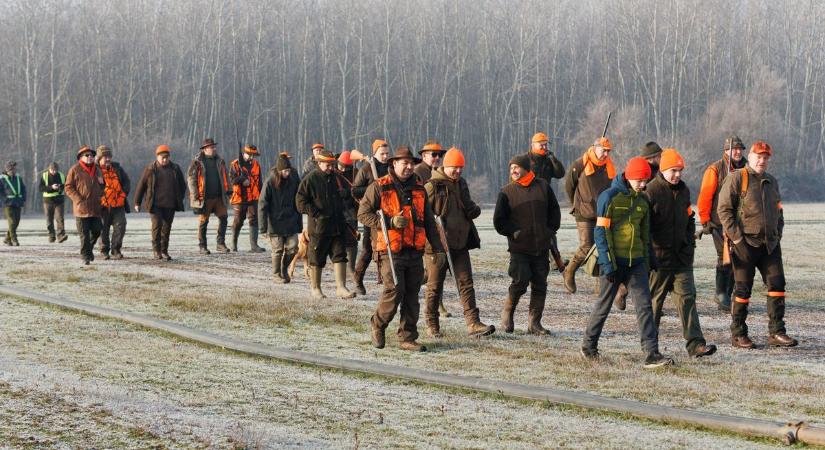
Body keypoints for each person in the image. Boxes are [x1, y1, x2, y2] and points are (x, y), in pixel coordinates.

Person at [580, 157, 672, 368]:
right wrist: (608, 264)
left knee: (645, 307)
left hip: (636, 263)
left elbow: (644, 234)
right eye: (640, 180)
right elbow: (601, 233)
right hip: (613, 263)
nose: (643, 184)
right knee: (603, 306)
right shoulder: (608, 197)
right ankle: (588, 346)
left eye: (645, 180)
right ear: (629, 176)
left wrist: (650, 260)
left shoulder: (642, 201)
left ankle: (652, 353)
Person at [358, 146, 444, 352]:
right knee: (394, 290)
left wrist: (438, 249)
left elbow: (429, 222)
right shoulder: (379, 186)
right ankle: (378, 324)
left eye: (410, 163)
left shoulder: (419, 188)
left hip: (414, 250)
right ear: (393, 164)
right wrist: (387, 222)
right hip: (389, 250)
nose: (408, 167)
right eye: (404, 163)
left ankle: (408, 337)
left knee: (412, 295)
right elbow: (363, 214)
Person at [717, 141, 798, 349]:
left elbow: (779, 211)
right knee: (743, 289)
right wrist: (737, 240)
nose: (762, 161)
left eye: (766, 158)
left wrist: (777, 233)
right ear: (750, 157)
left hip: (769, 245)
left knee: (778, 285)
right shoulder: (737, 178)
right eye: (759, 157)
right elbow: (724, 210)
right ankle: (738, 334)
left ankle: (777, 332)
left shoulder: (772, 181)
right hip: (745, 244)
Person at [645, 148, 717, 357]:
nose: (678, 175)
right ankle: (650, 346)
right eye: (673, 171)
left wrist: (689, 243)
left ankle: (696, 345)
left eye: (680, 171)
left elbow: (689, 218)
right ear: (663, 169)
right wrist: (650, 255)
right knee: (654, 303)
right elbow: (645, 227)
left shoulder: (684, 191)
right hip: (659, 260)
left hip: (682, 259)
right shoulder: (651, 191)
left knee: (687, 299)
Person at [423, 147, 494, 337]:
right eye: (455, 167)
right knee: (434, 287)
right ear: (445, 166)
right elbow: (422, 215)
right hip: (437, 247)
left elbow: (467, 205)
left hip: (460, 243)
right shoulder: (432, 186)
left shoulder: (461, 183)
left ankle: (473, 323)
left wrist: (474, 210)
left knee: (466, 283)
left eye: (461, 168)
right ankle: (432, 325)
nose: (458, 171)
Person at [493, 154, 561, 335]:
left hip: (541, 247)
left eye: (516, 167)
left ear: (526, 169)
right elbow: (499, 222)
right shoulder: (506, 192)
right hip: (519, 248)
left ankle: (534, 324)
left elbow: (554, 211)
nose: (513, 171)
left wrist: (550, 230)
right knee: (520, 282)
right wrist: (514, 232)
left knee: (540, 285)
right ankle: (508, 313)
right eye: (511, 168)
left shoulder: (543, 187)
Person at [295, 149, 357, 299]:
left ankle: (341, 287)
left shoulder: (338, 178)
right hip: (318, 227)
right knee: (316, 257)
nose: (331, 168)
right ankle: (316, 288)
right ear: (319, 163)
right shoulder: (310, 179)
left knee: (340, 255)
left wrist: (346, 196)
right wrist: (316, 213)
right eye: (328, 165)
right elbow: (300, 201)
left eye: (332, 164)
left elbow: (350, 195)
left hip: (338, 225)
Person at [697, 135, 747, 311]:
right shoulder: (715, 169)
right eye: (734, 149)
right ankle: (721, 294)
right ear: (726, 151)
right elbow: (705, 195)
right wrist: (705, 220)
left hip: (741, 223)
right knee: (724, 257)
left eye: (740, 149)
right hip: (719, 222)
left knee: (739, 257)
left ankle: (731, 292)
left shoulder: (748, 169)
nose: (738, 152)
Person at [562, 137, 616, 294]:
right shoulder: (580, 164)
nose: (606, 154)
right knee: (586, 246)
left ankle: (601, 288)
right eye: (603, 150)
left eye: (608, 151)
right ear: (594, 147)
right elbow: (569, 185)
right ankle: (569, 271)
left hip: (602, 212)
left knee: (602, 248)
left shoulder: (609, 167)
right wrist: (577, 203)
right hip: (583, 211)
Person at [351, 139, 391, 294]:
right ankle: (358, 279)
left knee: (388, 248)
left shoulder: (391, 168)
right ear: (375, 153)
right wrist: (373, 188)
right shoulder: (367, 169)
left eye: (387, 153)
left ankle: (386, 279)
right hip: (372, 214)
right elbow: (355, 190)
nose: (385, 156)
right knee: (368, 250)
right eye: (382, 153)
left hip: (389, 212)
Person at [134, 145, 187, 261]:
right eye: (162, 157)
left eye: (166, 157)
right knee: (157, 227)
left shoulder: (175, 169)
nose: (164, 159)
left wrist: (179, 198)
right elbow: (141, 186)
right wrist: (137, 202)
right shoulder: (150, 169)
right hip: (155, 205)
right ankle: (156, 251)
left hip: (170, 204)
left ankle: (164, 251)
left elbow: (183, 185)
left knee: (167, 229)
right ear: (157, 157)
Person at [259, 152, 302, 283]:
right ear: (279, 170)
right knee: (277, 249)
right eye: (284, 171)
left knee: (293, 247)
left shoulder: (294, 177)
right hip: (275, 221)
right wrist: (262, 228)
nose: (287, 173)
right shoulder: (270, 181)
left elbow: (300, 194)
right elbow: (262, 204)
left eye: (288, 170)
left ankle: (284, 268)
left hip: (291, 219)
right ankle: (276, 274)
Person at [187, 138, 231, 254]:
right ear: (205, 149)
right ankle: (202, 246)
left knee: (224, 218)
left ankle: (220, 244)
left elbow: (225, 176)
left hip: (218, 197)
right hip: (204, 198)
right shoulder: (197, 162)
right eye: (212, 147)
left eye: (214, 147)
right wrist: (195, 195)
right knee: (203, 222)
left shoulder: (220, 161)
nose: (214, 149)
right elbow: (191, 179)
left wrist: (229, 191)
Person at [64, 145, 104, 265]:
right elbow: (68, 187)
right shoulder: (74, 169)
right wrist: (78, 199)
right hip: (81, 208)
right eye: (87, 155)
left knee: (97, 230)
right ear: (81, 157)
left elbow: (103, 184)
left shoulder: (97, 169)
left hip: (95, 207)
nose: (90, 157)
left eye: (92, 155)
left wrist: (101, 192)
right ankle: (85, 256)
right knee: (84, 234)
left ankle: (88, 249)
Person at [96, 145, 130, 260]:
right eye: (105, 156)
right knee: (103, 229)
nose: (107, 159)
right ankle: (104, 250)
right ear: (99, 158)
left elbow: (126, 182)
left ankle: (116, 249)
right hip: (103, 206)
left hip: (118, 204)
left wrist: (123, 193)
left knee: (121, 226)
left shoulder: (118, 168)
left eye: (109, 156)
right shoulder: (95, 170)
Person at [229, 144, 264, 252]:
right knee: (238, 220)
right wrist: (242, 180)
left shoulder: (256, 165)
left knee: (254, 220)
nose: (252, 157)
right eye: (249, 154)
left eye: (253, 155)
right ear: (244, 153)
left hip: (254, 197)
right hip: (240, 198)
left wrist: (262, 195)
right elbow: (233, 180)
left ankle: (254, 245)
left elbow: (260, 182)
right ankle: (233, 243)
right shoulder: (235, 164)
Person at [337, 150, 360, 275]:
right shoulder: (333, 173)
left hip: (351, 211)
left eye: (347, 167)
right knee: (338, 241)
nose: (344, 169)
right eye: (342, 166)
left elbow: (359, 189)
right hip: (336, 211)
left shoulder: (355, 173)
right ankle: (340, 266)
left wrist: (350, 193)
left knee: (352, 240)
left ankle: (351, 267)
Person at [39, 162, 68, 243]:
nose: (54, 171)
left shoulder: (62, 175)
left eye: (55, 170)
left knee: (60, 218)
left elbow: (67, 185)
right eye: (52, 170)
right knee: (49, 220)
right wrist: (51, 187)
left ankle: (61, 236)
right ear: (49, 169)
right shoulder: (44, 176)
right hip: (48, 201)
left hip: (59, 201)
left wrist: (60, 187)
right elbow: (40, 188)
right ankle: (51, 236)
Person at [0, 161, 26, 246]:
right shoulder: (2, 179)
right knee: (12, 222)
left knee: (17, 222)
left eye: (15, 168)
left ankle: (7, 239)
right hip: (8, 204)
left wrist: (23, 199)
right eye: (13, 168)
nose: (15, 170)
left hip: (18, 203)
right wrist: (4, 200)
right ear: (9, 170)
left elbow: (23, 189)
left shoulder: (18, 178)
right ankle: (14, 240)